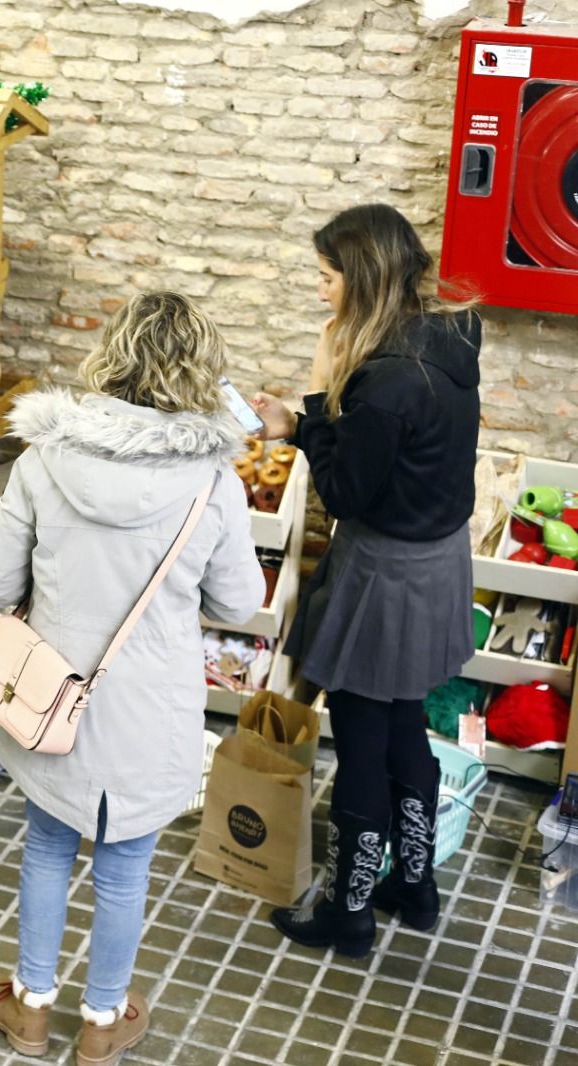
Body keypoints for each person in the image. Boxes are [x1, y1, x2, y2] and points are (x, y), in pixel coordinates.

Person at [0, 292, 263, 1062]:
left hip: (51, 697)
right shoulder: (214, 483)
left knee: (45, 847)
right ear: (200, 370)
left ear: (112, 355)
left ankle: (30, 1007)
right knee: (126, 870)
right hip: (149, 712)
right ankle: (102, 1023)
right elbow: (238, 601)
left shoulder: (44, 458)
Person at [253, 204, 481, 959]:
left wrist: (315, 400)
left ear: (364, 280)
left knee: (358, 735)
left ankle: (350, 911)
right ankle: (414, 885)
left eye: (327, 278)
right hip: (439, 560)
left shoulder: (382, 382)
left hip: (384, 570)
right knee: (405, 721)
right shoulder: (452, 332)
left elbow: (346, 492)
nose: (320, 292)